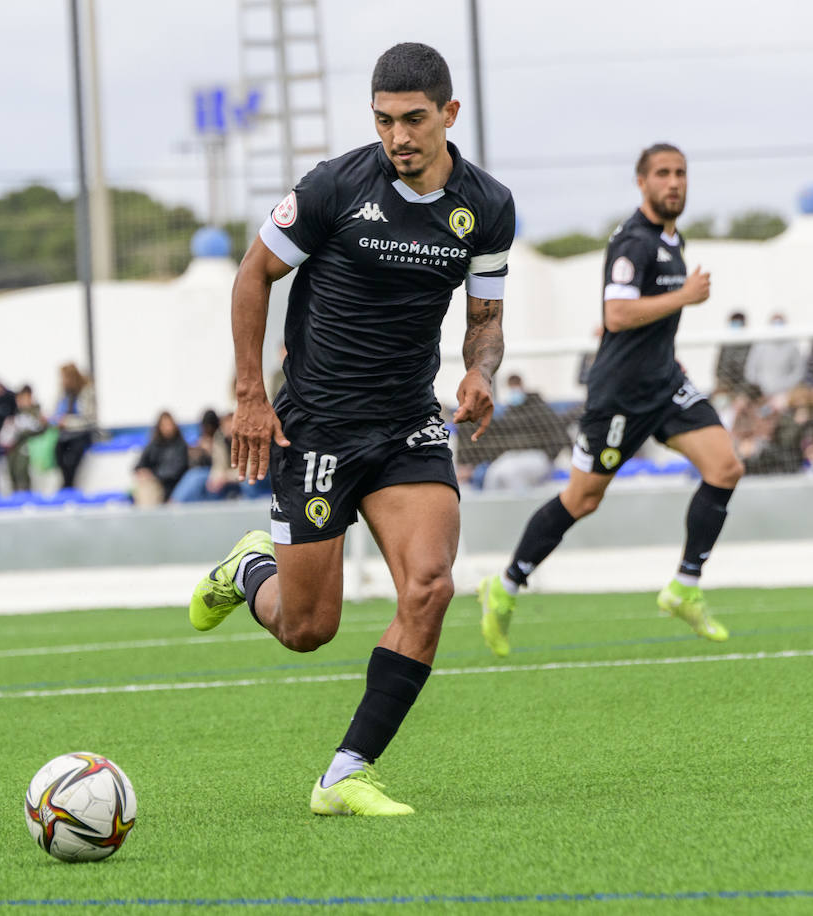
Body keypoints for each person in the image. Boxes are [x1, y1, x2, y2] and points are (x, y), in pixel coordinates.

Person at [187, 43, 514, 817]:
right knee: (307, 629)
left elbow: (486, 320)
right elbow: (253, 273)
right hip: (319, 429)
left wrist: (481, 372)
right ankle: (249, 568)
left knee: (430, 587)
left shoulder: (488, 206)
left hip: (407, 426)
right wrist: (250, 394)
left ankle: (345, 773)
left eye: (413, 119)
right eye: (383, 120)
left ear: (449, 114)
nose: (398, 136)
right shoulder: (334, 186)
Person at [479, 143, 743, 655]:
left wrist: (665, 350)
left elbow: (645, 320)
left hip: (665, 385)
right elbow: (617, 315)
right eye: (662, 173)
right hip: (620, 396)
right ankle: (505, 586)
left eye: (680, 173)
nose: (674, 182)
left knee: (726, 467)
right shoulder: (633, 242)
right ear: (642, 182)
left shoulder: (673, 240)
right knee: (583, 498)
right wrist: (685, 296)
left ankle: (685, 587)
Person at [52, 363, 96, 490]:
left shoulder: (87, 391)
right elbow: (56, 411)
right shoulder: (63, 393)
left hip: (81, 432)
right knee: (58, 453)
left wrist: (67, 422)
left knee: (73, 456)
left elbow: (89, 419)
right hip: (65, 433)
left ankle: (69, 485)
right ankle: (66, 483)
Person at [132, 411, 190, 506]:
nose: (167, 428)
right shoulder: (154, 445)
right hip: (152, 482)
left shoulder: (180, 446)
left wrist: (153, 475)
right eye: (164, 425)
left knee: (149, 488)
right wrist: (141, 472)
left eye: (169, 424)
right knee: (143, 485)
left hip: (171, 486)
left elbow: (176, 471)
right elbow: (139, 465)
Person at [0, 384, 48, 492]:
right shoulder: (15, 413)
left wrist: (22, 432)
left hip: (29, 449)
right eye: (20, 399)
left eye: (25, 398)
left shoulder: (37, 413)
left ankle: (25, 495)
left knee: (22, 472)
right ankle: (16, 495)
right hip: (13, 449)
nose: (22, 401)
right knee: (13, 472)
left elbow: (40, 430)